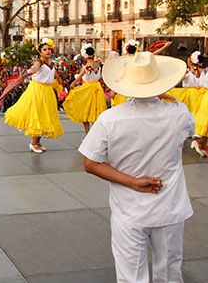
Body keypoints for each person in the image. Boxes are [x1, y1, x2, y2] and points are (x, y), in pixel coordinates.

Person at [80, 52, 194, 283]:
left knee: (131, 275)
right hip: (170, 205)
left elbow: (90, 163)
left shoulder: (110, 119)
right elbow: (189, 132)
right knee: (170, 273)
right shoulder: (179, 113)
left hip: (129, 209)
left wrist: (132, 181)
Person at [4, 38, 63, 153]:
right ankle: (33, 143)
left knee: (45, 116)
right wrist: (25, 75)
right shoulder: (39, 62)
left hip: (47, 91)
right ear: (40, 52)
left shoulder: (51, 63)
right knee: (39, 115)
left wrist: (59, 78)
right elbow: (34, 70)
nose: (47, 51)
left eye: (49, 49)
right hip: (38, 90)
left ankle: (37, 142)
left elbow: (52, 73)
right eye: (45, 49)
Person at [63, 43, 106, 134]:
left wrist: (73, 84)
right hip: (97, 88)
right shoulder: (98, 64)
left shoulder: (86, 66)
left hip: (88, 89)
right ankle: (96, 134)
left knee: (85, 111)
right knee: (96, 111)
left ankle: (88, 134)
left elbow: (78, 78)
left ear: (85, 55)